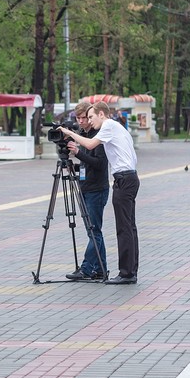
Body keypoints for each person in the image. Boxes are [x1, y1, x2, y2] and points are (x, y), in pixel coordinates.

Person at [61, 101, 139, 285]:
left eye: (90, 117)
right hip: (128, 177)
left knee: (124, 228)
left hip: (124, 179)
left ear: (102, 114)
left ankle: (126, 274)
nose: (89, 121)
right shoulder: (117, 128)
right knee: (129, 227)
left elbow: (89, 145)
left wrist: (70, 134)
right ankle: (130, 271)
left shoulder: (109, 126)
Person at [64, 102, 109, 281]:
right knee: (94, 231)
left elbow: (99, 164)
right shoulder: (83, 135)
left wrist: (78, 153)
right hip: (85, 187)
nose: (82, 121)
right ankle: (100, 269)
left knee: (94, 231)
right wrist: (73, 167)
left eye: (86, 118)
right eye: (79, 118)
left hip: (97, 189)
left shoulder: (98, 136)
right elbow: (86, 164)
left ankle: (87, 268)